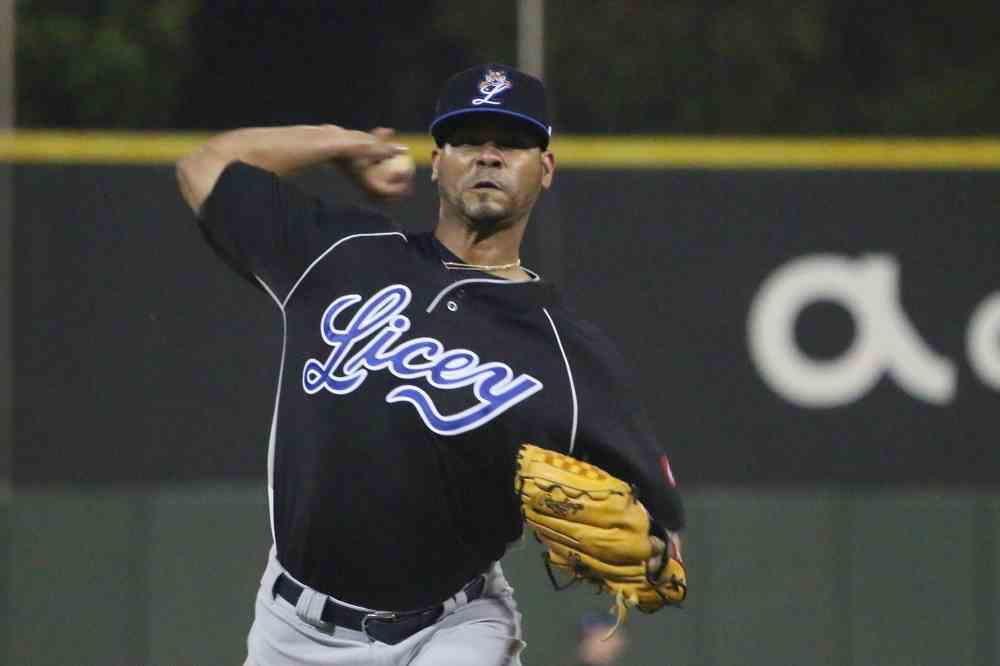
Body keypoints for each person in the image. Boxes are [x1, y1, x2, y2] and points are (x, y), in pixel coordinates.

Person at [176, 63, 686, 666]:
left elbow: (660, 527)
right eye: (469, 139)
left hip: (454, 630)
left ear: (544, 169)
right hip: (291, 629)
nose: (489, 156)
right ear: (437, 160)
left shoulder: (571, 357)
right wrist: (344, 143)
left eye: (513, 142)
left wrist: (652, 554)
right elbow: (203, 166)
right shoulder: (340, 254)